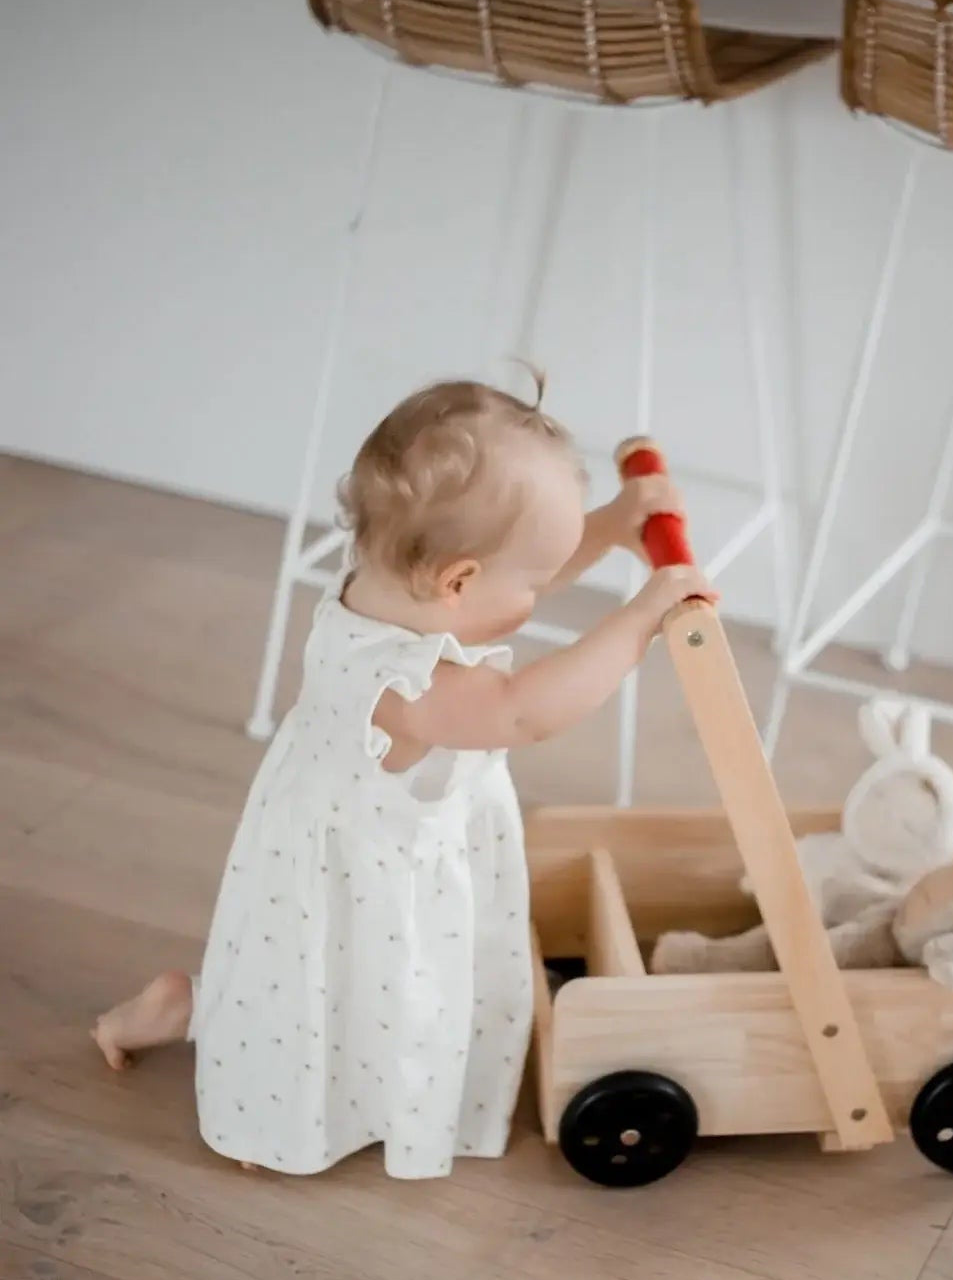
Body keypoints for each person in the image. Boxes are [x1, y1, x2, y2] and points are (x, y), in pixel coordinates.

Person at [92, 376, 712, 1177]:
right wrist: (636, 622)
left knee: (317, 979)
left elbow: (513, 571)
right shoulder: (408, 689)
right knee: (342, 993)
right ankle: (270, 1114)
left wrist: (614, 527)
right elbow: (524, 711)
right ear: (458, 581)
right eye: (534, 582)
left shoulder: (393, 582)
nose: (542, 591)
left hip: (335, 832)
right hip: (363, 864)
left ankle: (185, 1006)